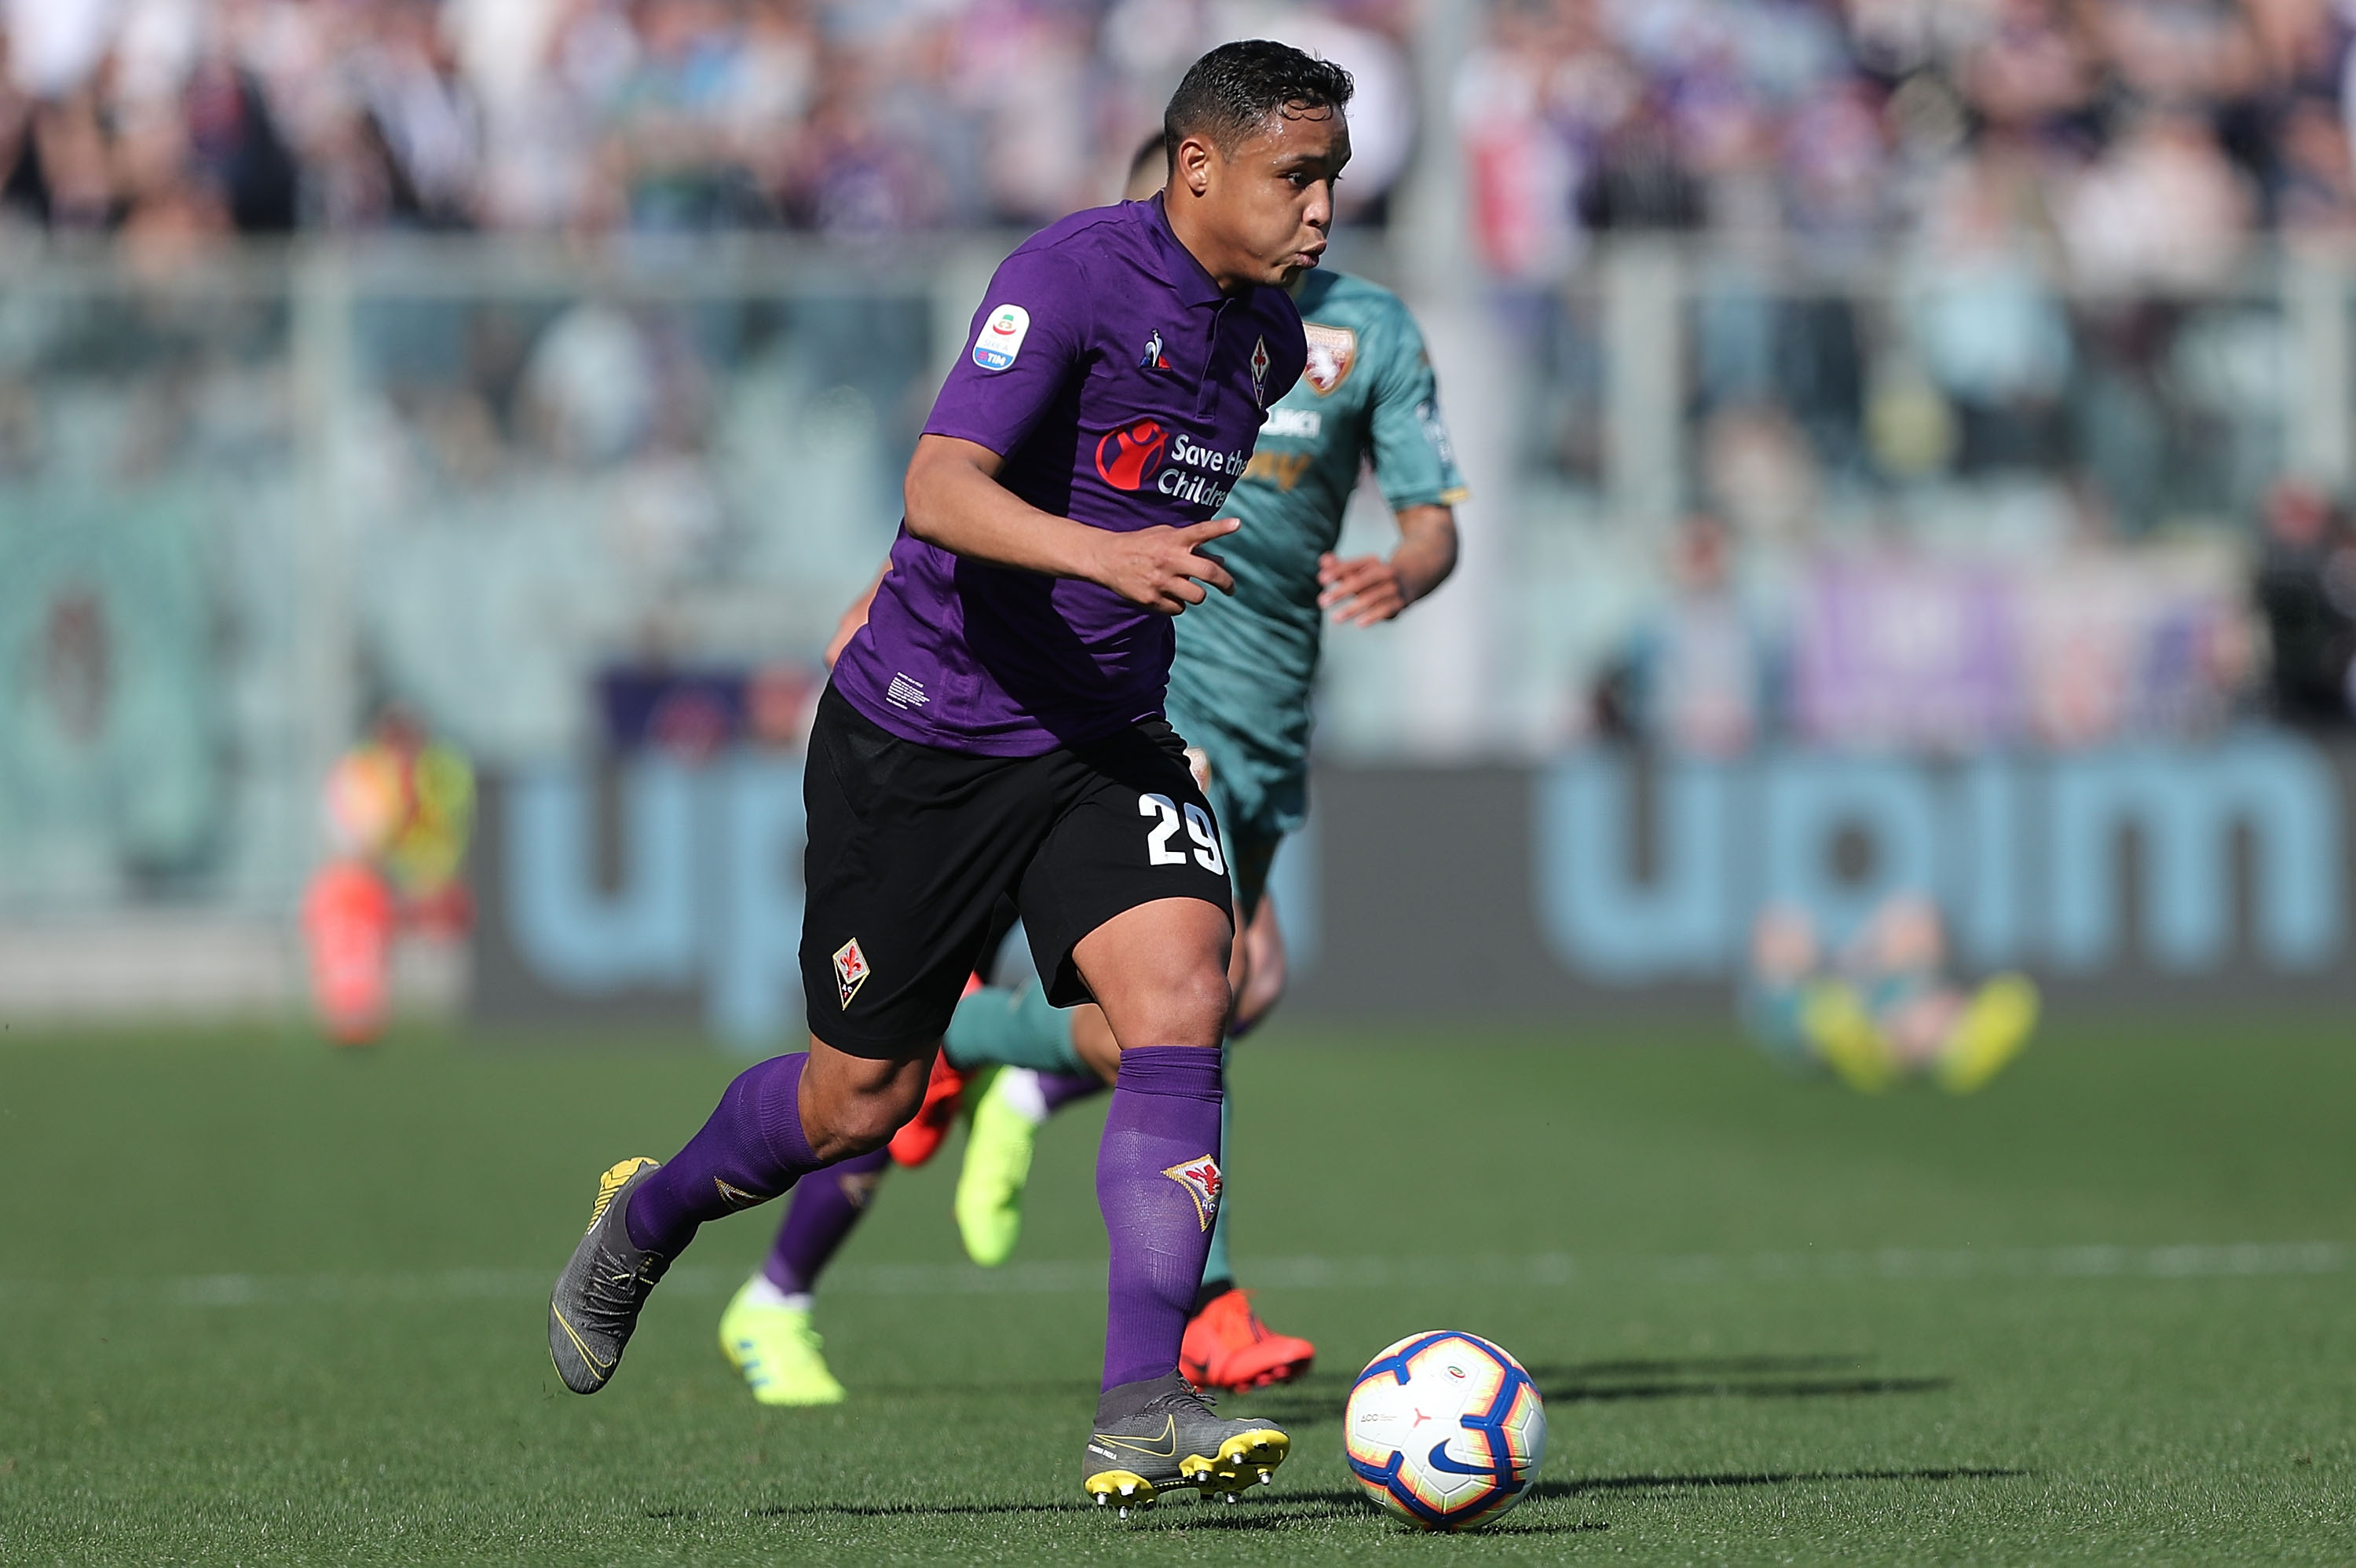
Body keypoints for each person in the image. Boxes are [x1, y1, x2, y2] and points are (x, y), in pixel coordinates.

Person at [546, 40, 1348, 1517]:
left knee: (1185, 996)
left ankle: (1138, 1403)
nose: (1320, 211)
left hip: (1102, 737)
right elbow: (939, 487)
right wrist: (1099, 556)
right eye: (1296, 177)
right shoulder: (1067, 276)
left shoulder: (1270, 347)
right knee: (860, 1103)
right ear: (1197, 167)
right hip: (925, 737)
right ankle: (647, 1213)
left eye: (1332, 180)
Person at [719, 126, 1465, 1406]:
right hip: (1126, 706)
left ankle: (811, 1253)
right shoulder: (1101, 304)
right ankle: (1198, 1323)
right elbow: (966, 492)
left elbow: (1434, 516)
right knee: (1199, 998)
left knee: (956, 1063)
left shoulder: (1343, 338)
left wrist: (1406, 566)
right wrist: (878, 599)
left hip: (1262, 706)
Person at [1740, 897, 2039, 1095]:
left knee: (1911, 1013)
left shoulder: (1887, 975)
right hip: (1838, 1019)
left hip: (1874, 1015)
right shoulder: (1780, 998)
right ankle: (1950, 1047)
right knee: (1827, 1015)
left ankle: (1953, 1045)